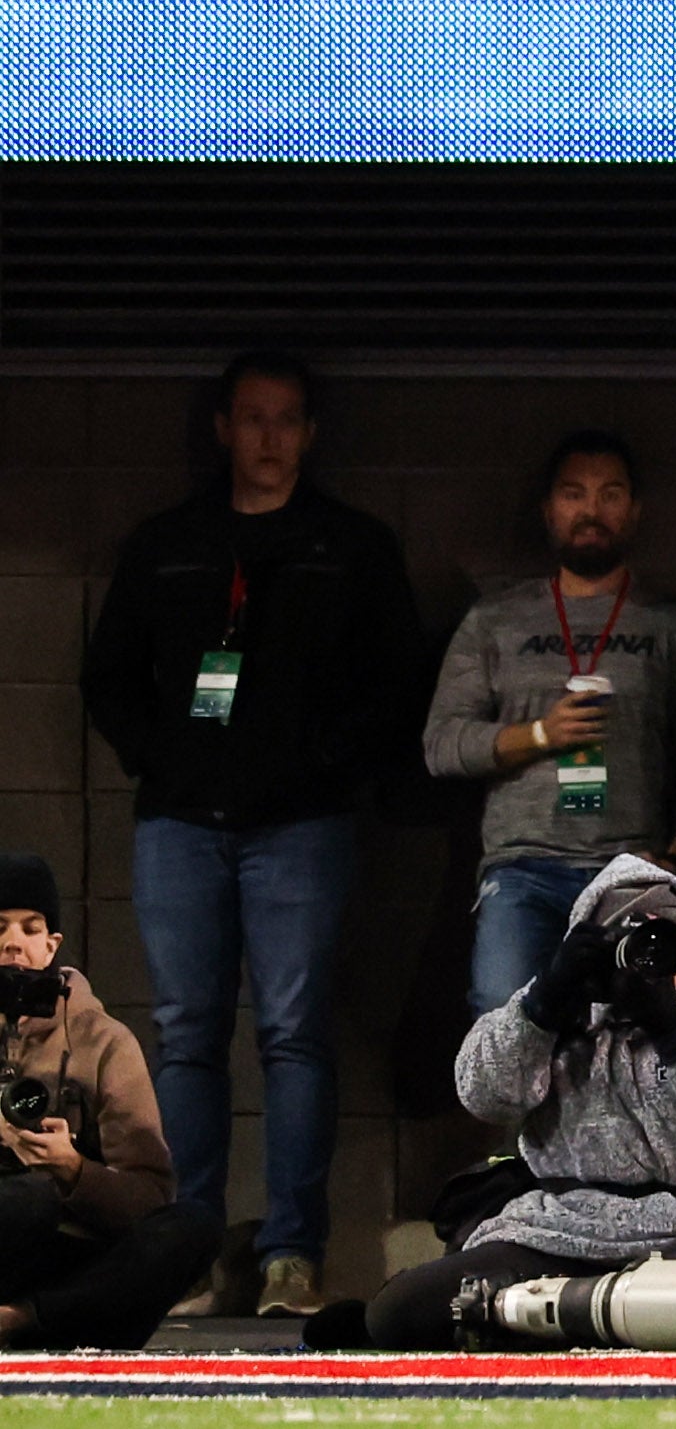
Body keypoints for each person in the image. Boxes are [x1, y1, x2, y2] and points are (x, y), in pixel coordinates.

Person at [79, 350, 425, 1318]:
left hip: (302, 828)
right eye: (252, 418)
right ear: (223, 428)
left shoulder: (348, 547)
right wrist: (164, 756)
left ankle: (289, 1257)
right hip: (181, 825)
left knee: (292, 1036)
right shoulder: (169, 544)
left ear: (309, 436)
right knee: (185, 1035)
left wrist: (323, 761)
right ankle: (185, 1248)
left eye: (287, 421)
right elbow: (106, 677)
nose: (268, 438)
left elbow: (397, 683)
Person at [364, 856, 676, 1348]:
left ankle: (548, 1316)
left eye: (665, 947)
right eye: (631, 946)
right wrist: (543, 1005)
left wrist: (673, 1029)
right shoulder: (555, 1009)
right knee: (398, 1313)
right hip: (557, 1229)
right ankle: (628, 1318)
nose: (651, 963)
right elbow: (484, 1096)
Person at [423, 430, 676, 1018]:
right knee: (503, 1018)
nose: (591, 511)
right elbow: (441, 745)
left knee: (634, 1039)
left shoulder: (670, 625)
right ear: (549, 510)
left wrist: (673, 858)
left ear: (634, 511)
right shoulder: (497, 620)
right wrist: (540, 735)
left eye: (610, 494)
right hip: (523, 867)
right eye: (574, 494)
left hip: (631, 870)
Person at [0, 851, 224, 1349]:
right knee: (24, 1202)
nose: (13, 943)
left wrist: (73, 1169)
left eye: (30, 929)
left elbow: (149, 1198)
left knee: (193, 1226)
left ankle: (20, 1319)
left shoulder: (105, 1040)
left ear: (52, 944)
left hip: (75, 1251)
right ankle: (63, 1324)